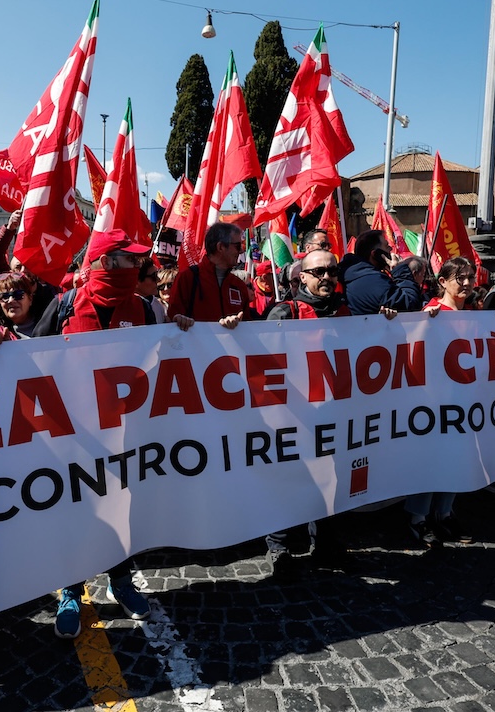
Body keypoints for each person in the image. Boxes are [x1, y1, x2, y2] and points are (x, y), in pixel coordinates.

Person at [54, 229, 156, 638]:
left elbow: (165, 356)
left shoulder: (147, 309)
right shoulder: (65, 304)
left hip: (125, 435)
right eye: (131, 259)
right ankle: (71, 591)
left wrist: (184, 328)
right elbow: (25, 352)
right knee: (76, 511)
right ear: (107, 264)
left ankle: (120, 580)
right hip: (73, 437)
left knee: (122, 510)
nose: (139, 266)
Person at [263, 250, 350, 574]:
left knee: (331, 483)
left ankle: (326, 544)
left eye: (332, 270)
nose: (326, 276)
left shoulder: (346, 312)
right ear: (303, 277)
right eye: (318, 272)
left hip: (332, 416)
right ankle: (280, 548)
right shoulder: (285, 313)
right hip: (291, 419)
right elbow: (260, 361)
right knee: (288, 482)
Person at [410, 257, 478, 545]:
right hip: (435, 403)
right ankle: (418, 518)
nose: (466, 283)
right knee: (430, 460)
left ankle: (445, 513)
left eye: (470, 278)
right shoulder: (432, 313)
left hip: (464, 400)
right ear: (442, 282)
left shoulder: (476, 313)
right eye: (459, 278)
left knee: (456, 458)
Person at [165, 221, 248, 329]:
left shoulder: (239, 285)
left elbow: (248, 328)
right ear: (221, 247)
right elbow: (172, 322)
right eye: (237, 246)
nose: (241, 251)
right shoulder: (187, 278)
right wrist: (180, 320)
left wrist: (237, 324)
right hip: (196, 345)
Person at [339, 230, 421, 315]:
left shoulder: (355, 275)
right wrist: (400, 270)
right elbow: (411, 304)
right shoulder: (373, 280)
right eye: (386, 246)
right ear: (375, 254)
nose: (391, 249)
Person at [136, 258, 168, 323]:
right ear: (137, 281)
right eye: (154, 276)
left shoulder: (158, 306)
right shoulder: (124, 307)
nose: (158, 280)